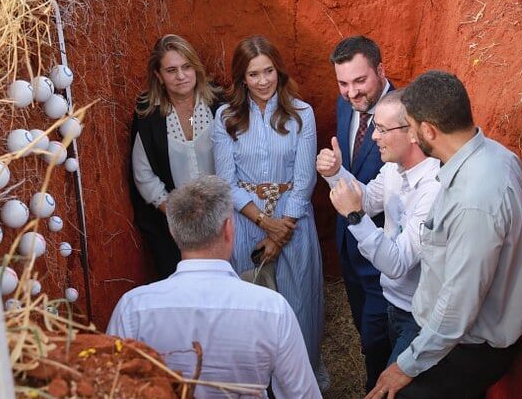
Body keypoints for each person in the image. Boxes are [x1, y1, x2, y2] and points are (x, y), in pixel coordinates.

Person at [366, 70, 522, 399]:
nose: (411, 136)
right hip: (457, 339)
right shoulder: (493, 156)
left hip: (466, 347)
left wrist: (407, 365)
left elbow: (459, 304)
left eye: (411, 127)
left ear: (428, 130)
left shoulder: (475, 202)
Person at [108, 176, 321, 399]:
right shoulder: (272, 309)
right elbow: (303, 395)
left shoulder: (133, 309)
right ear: (229, 229)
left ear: (173, 231)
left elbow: (109, 387)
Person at [212, 35, 326, 386]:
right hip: (245, 222)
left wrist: (281, 231)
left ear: (279, 71)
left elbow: (305, 179)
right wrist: (265, 223)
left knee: (298, 306)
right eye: (253, 74)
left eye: (268, 71)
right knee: (252, 305)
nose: (263, 81)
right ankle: (258, 385)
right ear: (241, 78)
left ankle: (300, 384)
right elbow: (226, 181)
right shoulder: (226, 116)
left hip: (294, 220)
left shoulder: (301, 113)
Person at [317, 89, 440, 367]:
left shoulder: (434, 188)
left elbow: (397, 264)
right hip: (390, 301)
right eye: (375, 127)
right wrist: (335, 173)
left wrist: (355, 217)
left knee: (394, 383)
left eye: (382, 129)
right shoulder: (395, 167)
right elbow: (369, 199)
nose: (374, 136)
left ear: (412, 133)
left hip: (418, 316)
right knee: (374, 368)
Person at [327, 35, 395, 392]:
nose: (351, 92)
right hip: (349, 247)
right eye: (343, 83)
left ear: (380, 71)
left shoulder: (402, 115)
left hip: (386, 257)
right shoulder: (346, 107)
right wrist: (334, 171)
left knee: (379, 340)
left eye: (359, 80)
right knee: (365, 333)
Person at [129, 34, 221, 280]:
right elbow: (143, 174)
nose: (181, 76)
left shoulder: (218, 106)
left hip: (223, 217)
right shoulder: (148, 116)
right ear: (159, 76)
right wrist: (176, 213)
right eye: (171, 70)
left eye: (186, 67)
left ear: (196, 68)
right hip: (173, 227)